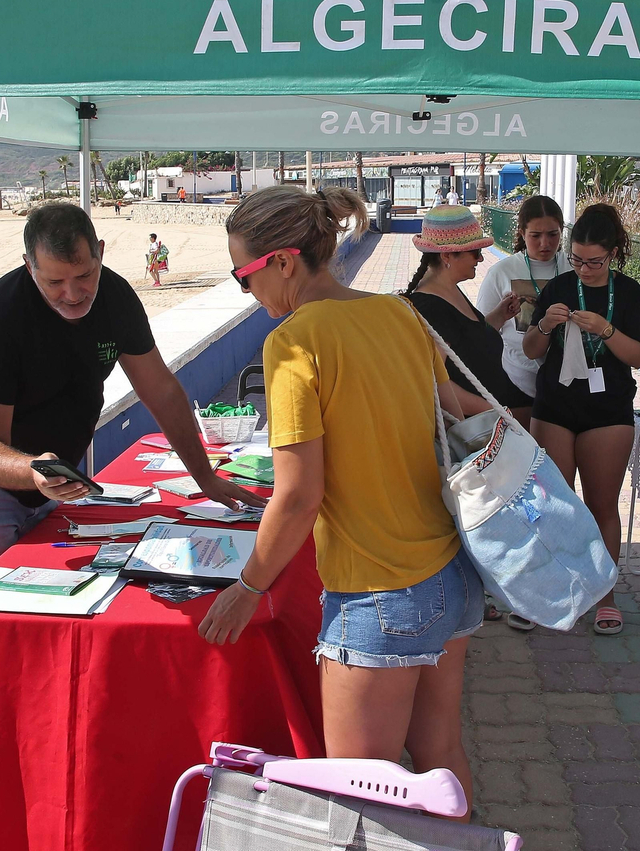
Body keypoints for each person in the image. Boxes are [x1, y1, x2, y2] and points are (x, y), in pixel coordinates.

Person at [198, 185, 481, 817]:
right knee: (441, 763)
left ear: (283, 262)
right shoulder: (401, 313)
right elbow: (455, 413)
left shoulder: (294, 342)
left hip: (380, 593)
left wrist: (250, 587)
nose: (249, 294)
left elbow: (298, 496)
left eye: (244, 276)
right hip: (450, 572)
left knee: (359, 800)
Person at [0, 202, 263, 590]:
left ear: (101, 252)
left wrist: (204, 477)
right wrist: (32, 472)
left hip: (48, 474)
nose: (73, 294)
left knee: (47, 598)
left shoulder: (115, 296)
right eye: (54, 283)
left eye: (84, 275)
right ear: (30, 267)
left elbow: (160, 390)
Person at [520, 203, 640, 636]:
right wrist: (543, 326)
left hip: (608, 409)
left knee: (601, 505)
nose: (584, 269)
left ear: (613, 253)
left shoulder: (628, 292)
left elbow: (639, 357)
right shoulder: (559, 285)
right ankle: (546, 593)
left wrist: (607, 330)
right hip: (556, 406)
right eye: (576, 259)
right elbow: (530, 351)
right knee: (552, 507)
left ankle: (604, 595)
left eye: (594, 262)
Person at [406, 205, 532, 424]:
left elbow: (469, 340)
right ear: (447, 255)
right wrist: (497, 413)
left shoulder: (448, 290)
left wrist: (500, 315)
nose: (480, 259)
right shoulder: (430, 307)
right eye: (475, 252)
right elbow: (434, 382)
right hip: (486, 423)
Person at [475, 195, 565, 401]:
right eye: (535, 235)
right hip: (516, 382)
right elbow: (480, 332)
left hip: (566, 384)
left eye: (553, 234)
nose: (545, 243)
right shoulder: (501, 272)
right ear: (522, 233)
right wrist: (500, 314)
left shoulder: (574, 268)